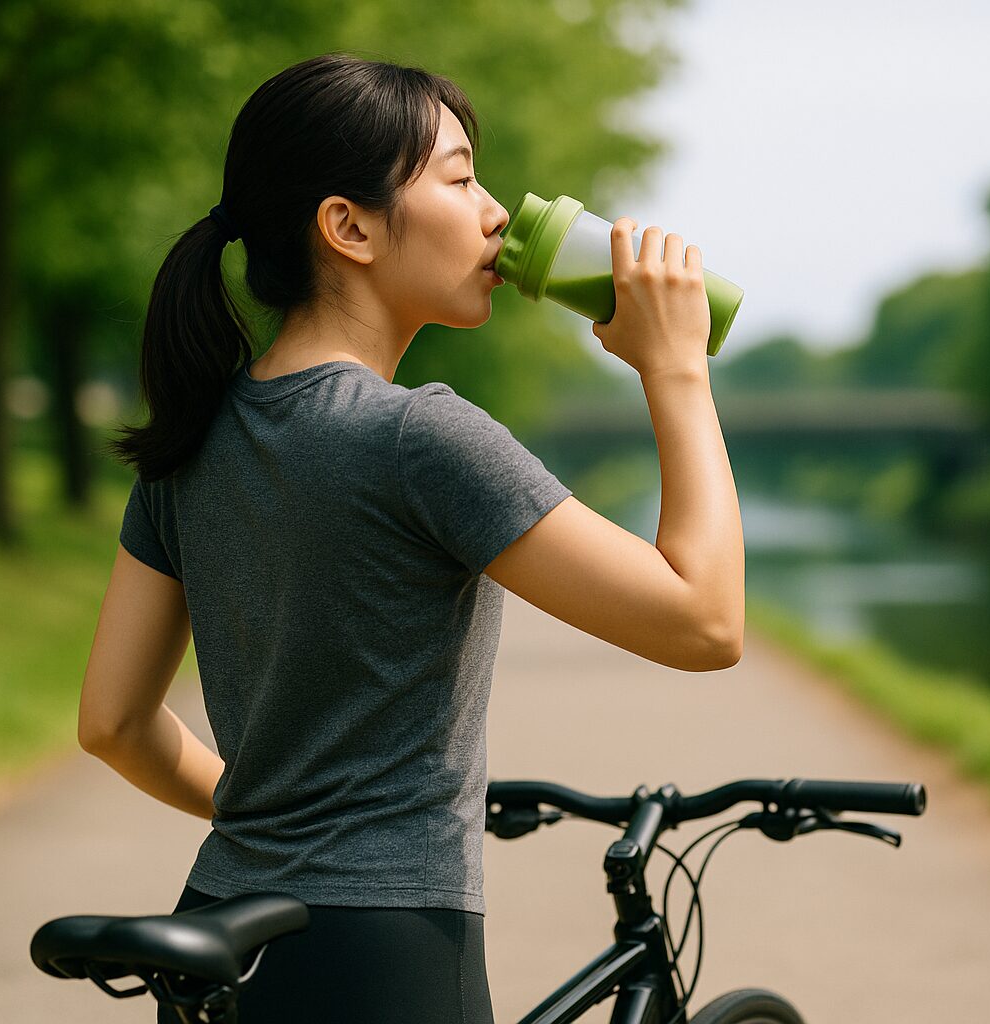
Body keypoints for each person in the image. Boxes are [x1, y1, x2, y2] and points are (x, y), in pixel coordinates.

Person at [76, 51, 744, 1024]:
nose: (498, 212)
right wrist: (677, 371)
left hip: (222, 935)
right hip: (378, 954)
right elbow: (704, 621)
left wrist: (276, 811)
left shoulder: (193, 441)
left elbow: (112, 723)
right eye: (461, 176)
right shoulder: (418, 437)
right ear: (347, 227)